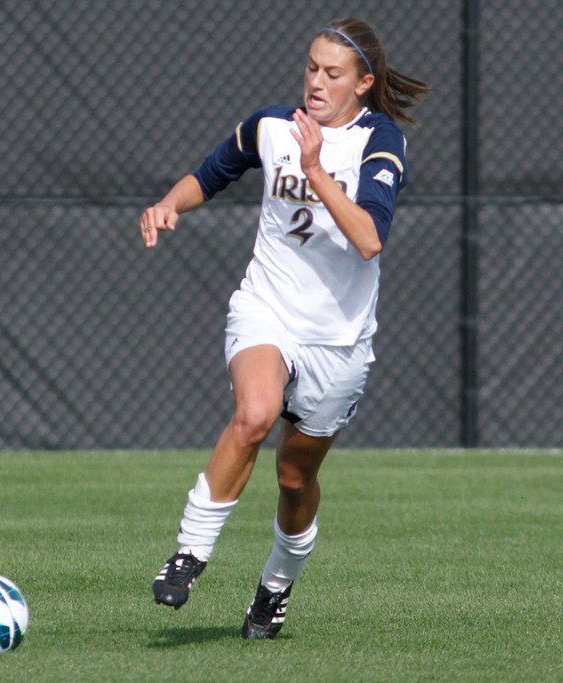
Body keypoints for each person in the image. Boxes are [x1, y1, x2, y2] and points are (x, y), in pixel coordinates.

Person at [140, 18, 430, 639]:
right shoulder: (273, 125)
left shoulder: (380, 141)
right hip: (267, 308)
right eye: (311, 67)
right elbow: (210, 174)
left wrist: (316, 170)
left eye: (333, 73)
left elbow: (369, 239)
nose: (317, 82)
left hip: (339, 340)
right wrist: (168, 203)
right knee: (255, 413)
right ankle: (189, 552)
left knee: (296, 478)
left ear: (363, 84)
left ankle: (274, 587)